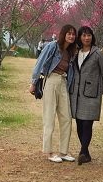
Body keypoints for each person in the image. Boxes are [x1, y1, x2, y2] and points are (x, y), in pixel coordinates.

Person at [30, 24, 77, 162]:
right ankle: (49, 152)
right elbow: (40, 63)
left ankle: (63, 151)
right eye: (69, 33)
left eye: (73, 34)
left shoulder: (70, 51)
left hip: (63, 82)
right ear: (63, 34)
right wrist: (33, 83)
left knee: (66, 117)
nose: (71, 36)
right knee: (49, 117)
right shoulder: (52, 46)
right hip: (51, 81)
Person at [68, 25, 103, 164]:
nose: (87, 38)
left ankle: (82, 151)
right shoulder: (75, 53)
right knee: (80, 124)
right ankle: (85, 153)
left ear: (92, 37)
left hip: (91, 94)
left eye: (89, 35)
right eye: (84, 35)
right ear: (80, 37)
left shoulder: (98, 53)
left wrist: (102, 88)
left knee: (87, 123)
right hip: (77, 95)